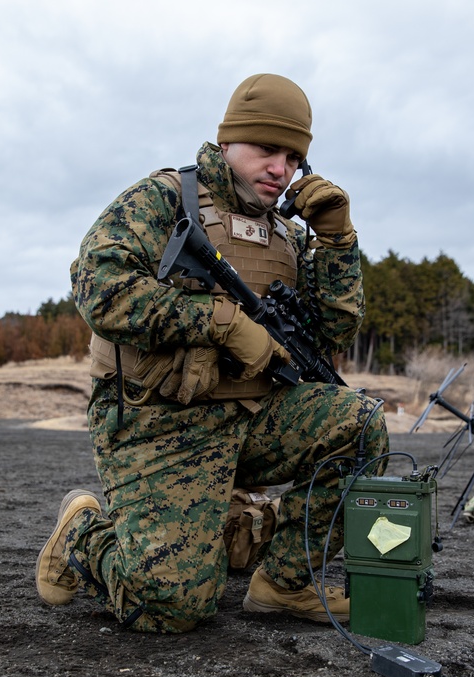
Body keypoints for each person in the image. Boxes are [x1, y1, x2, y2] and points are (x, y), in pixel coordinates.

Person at [35, 73, 389, 633]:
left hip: (250, 418)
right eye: (268, 149)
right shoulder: (164, 198)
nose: (282, 168)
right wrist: (221, 324)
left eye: (295, 157)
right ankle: (85, 529)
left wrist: (339, 242)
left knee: (360, 424)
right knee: (170, 609)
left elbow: (332, 335)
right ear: (228, 142)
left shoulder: (290, 235)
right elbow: (97, 286)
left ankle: (283, 583)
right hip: (160, 421)